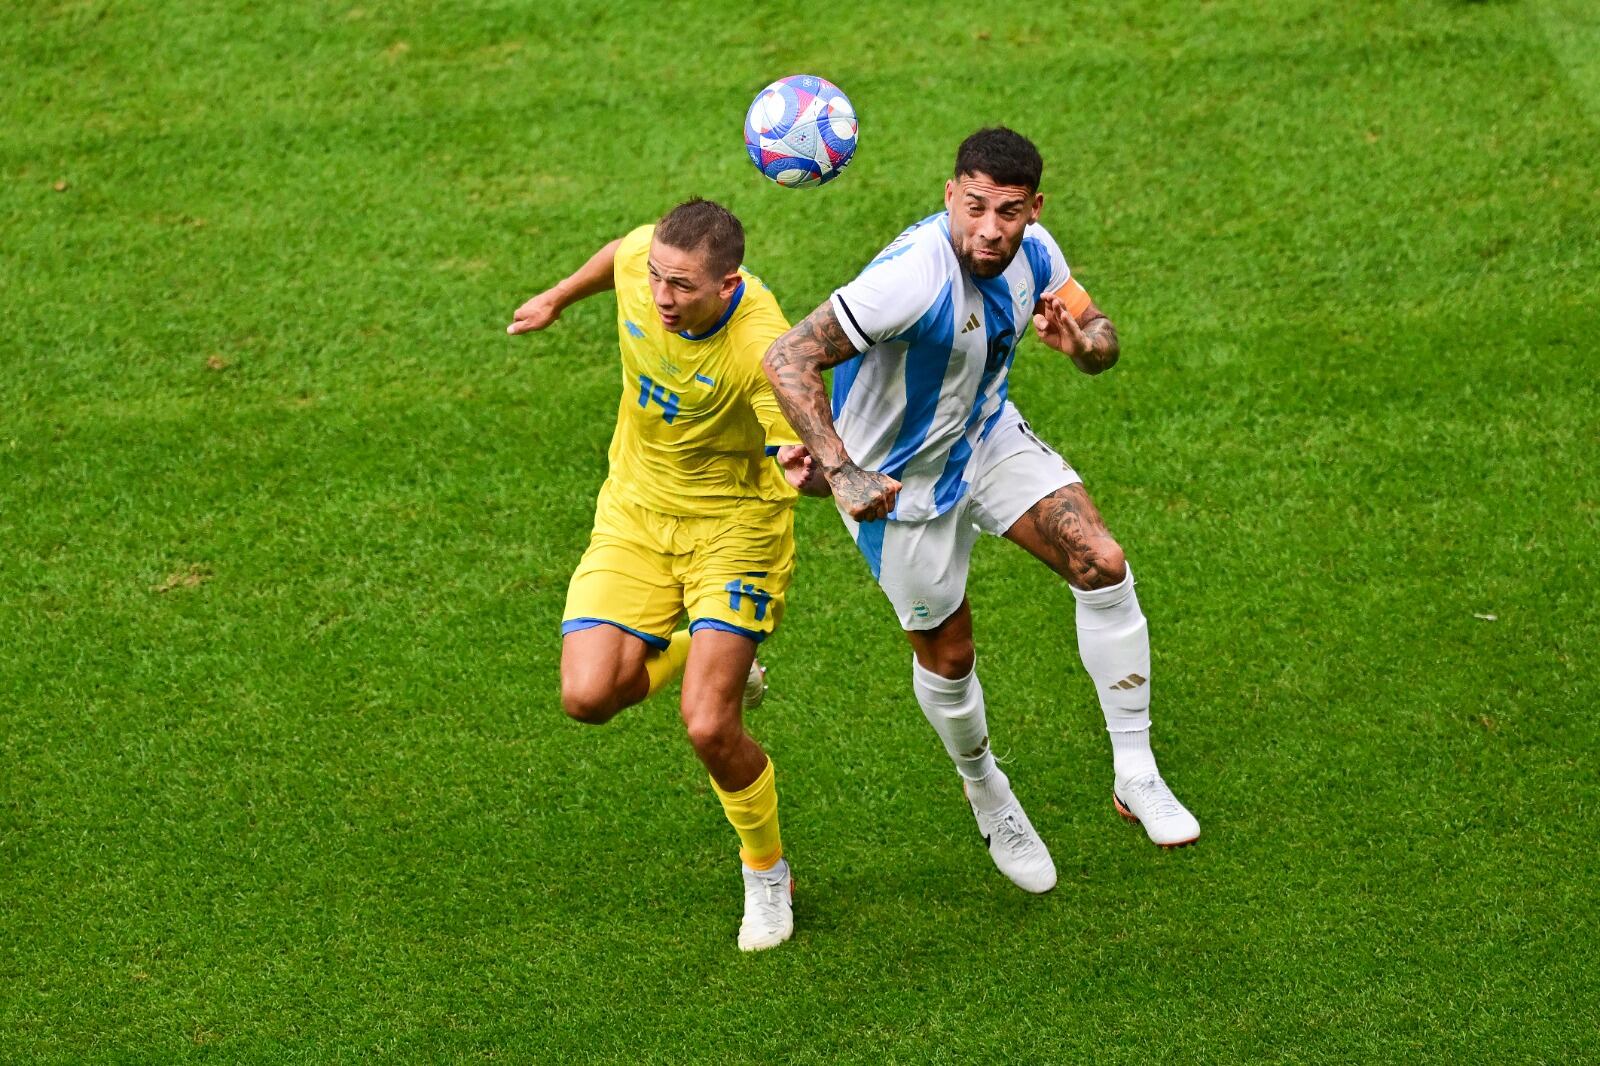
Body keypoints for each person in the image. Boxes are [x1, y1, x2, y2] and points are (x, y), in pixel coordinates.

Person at [761, 127, 1199, 895]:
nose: (990, 229)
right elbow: (787, 356)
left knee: (1102, 561)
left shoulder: (1034, 250)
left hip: (986, 434)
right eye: (974, 208)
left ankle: (1136, 770)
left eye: (1008, 211)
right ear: (948, 198)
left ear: (1033, 207)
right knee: (951, 656)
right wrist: (839, 468)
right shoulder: (909, 280)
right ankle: (986, 788)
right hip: (896, 480)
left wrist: (1080, 346)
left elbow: (1101, 335)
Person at [508, 198, 827, 948]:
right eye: (656, 278)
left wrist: (806, 466)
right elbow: (620, 248)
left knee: (710, 724)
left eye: (681, 287)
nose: (659, 297)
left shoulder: (764, 347)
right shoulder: (644, 264)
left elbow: (805, 453)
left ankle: (767, 873)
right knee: (587, 697)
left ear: (728, 283)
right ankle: (704, 657)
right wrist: (556, 297)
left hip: (734, 530)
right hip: (636, 512)